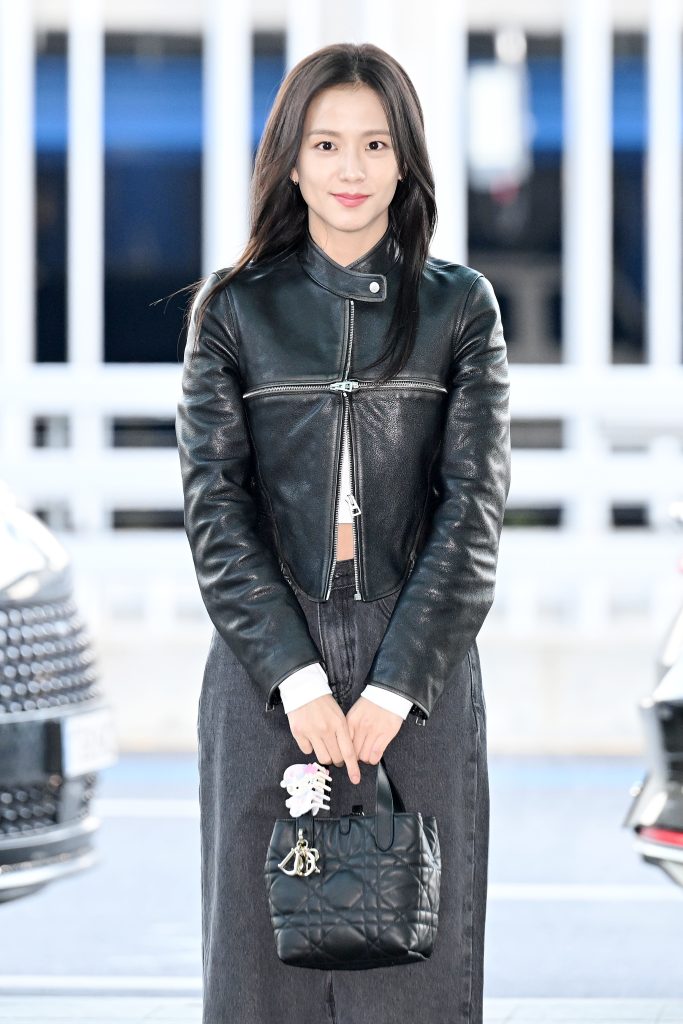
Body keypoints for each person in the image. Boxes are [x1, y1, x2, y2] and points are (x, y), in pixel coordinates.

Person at [175, 41, 511, 1024]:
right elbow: (216, 510)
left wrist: (396, 684)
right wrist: (296, 676)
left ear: (404, 161)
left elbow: (472, 510)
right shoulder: (233, 310)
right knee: (257, 978)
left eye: (373, 143)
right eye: (325, 144)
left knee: (415, 976)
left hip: (420, 662)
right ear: (290, 160)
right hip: (264, 667)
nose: (350, 169)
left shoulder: (458, 307)